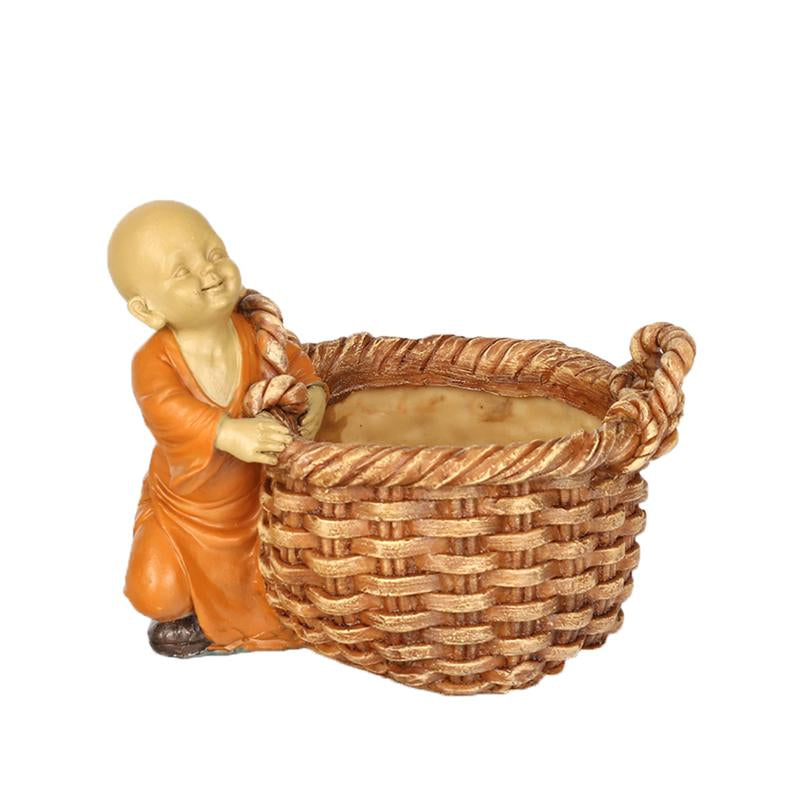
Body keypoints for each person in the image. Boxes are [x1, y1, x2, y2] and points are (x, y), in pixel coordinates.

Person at [108, 200, 327, 656]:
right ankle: (190, 613)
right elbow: (166, 410)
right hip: (187, 513)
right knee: (155, 590)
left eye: (215, 254)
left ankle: (265, 611)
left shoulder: (254, 332)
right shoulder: (153, 361)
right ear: (147, 310)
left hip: (258, 504)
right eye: (182, 271)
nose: (208, 272)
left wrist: (314, 394)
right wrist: (226, 432)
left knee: (293, 569)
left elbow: (294, 364)